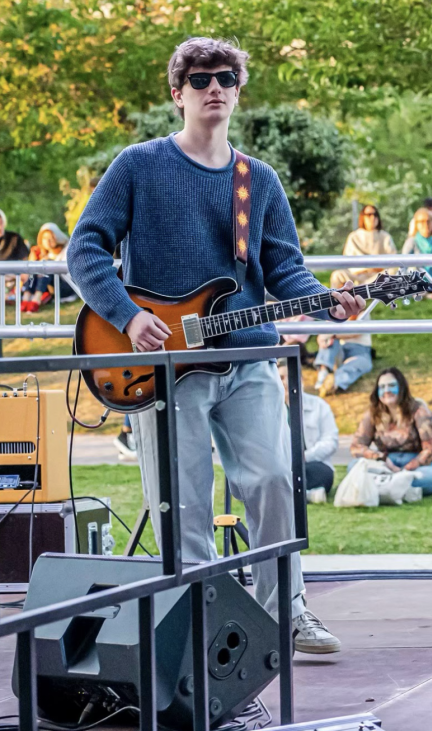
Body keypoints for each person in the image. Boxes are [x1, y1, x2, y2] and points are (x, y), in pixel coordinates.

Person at [68, 36, 366, 655]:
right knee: (183, 504)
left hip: (247, 358)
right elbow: (84, 249)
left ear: (238, 91)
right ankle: (198, 620)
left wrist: (326, 300)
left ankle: (284, 611)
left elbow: (285, 271)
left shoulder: (258, 180)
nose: (214, 87)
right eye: (200, 78)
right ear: (177, 93)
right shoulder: (138, 165)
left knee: (274, 480)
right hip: (162, 363)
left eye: (226, 78)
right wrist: (126, 316)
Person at [350, 367, 432, 496]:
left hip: (417, 465)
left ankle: (383, 486)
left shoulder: (419, 410)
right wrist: (380, 458)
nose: (386, 391)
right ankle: (397, 486)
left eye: (392, 385)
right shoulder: (372, 414)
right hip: (385, 465)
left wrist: (406, 470)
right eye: (382, 387)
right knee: (353, 467)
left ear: (402, 388)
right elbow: (356, 447)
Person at [278, 360, 338, 503]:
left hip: (310, 463)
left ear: (301, 380)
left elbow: (331, 441)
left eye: (291, 376)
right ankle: (307, 495)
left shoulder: (319, 406)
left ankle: (286, 494)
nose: (286, 382)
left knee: (323, 473)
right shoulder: (269, 409)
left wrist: (303, 457)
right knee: (276, 473)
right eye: (281, 378)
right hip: (282, 465)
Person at [330, 204, 397, 290]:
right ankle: (334, 300)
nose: (373, 217)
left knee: (390, 273)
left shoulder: (385, 236)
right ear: (363, 217)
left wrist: (377, 268)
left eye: (375, 214)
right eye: (369, 215)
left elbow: (393, 261)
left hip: (376, 276)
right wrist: (363, 269)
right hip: (356, 275)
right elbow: (347, 261)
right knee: (337, 275)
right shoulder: (354, 236)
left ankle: (359, 289)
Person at [314, 313, 373, 396]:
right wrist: (322, 339)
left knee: (364, 363)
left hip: (360, 351)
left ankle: (334, 383)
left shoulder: (364, 314)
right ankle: (323, 372)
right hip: (341, 351)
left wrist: (333, 335)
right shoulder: (335, 313)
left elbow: (357, 332)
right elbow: (324, 333)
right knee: (329, 339)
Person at [21, 223, 73, 313]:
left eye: (51, 237)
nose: (48, 241)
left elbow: (68, 272)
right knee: (37, 265)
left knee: (48, 265)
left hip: (66, 286)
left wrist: (47, 262)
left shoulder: (67, 249)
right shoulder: (43, 253)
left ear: (57, 236)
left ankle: (36, 300)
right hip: (50, 288)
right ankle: (26, 298)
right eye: (44, 238)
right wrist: (33, 261)